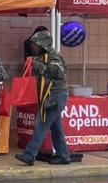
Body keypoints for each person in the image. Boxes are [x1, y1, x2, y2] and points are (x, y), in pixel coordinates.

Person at [16, 29, 70, 166]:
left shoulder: (52, 55)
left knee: (41, 124)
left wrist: (37, 65)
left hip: (54, 96)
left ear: (43, 45)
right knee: (56, 128)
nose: (33, 47)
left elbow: (58, 72)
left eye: (35, 44)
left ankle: (29, 154)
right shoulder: (42, 56)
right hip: (51, 96)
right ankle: (63, 156)